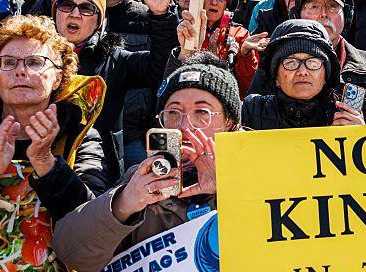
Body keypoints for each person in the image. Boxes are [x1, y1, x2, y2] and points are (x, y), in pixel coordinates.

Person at [0, 16, 110, 270]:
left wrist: (47, 164)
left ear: (58, 77)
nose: (20, 71)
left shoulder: (81, 139)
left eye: (34, 62)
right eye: (8, 63)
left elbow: (94, 236)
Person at [51, 58, 241, 272]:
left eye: (201, 113)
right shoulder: (143, 178)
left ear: (229, 121)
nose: (184, 125)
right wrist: (123, 204)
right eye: (173, 112)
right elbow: (72, 254)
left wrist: (230, 192)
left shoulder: (259, 171)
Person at [52, 0, 178, 181]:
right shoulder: (34, 57)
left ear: (99, 20)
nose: (74, 14)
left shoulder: (114, 60)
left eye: (86, 8)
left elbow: (159, 67)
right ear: (55, 13)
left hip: (100, 169)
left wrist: (161, 16)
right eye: (66, 5)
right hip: (45, 160)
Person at [241, 20, 364, 130]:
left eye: (313, 63)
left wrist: (358, 135)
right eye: (290, 63)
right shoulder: (251, 111)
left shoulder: (343, 116)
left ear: (326, 76)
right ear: (276, 77)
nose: (302, 71)